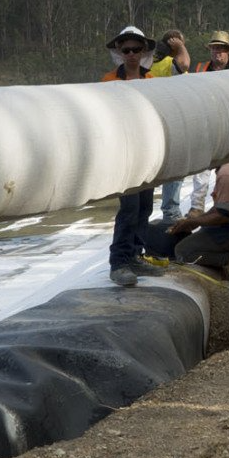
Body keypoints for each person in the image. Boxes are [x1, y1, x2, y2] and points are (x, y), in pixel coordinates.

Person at [101, 26, 165, 287]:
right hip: (125, 152)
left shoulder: (151, 81)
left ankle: (136, 255)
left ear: (143, 52)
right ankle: (119, 263)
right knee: (129, 208)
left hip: (147, 151)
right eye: (126, 49)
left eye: (136, 49)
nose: (131, 54)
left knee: (145, 205)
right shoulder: (108, 82)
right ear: (119, 52)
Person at [144, 158, 229, 273]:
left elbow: (222, 215)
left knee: (183, 251)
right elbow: (221, 208)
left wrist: (194, 222)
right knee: (193, 237)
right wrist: (196, 220)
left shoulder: (227, 175)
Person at [188, 30, 229, 215]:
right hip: (208, 124)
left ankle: (228, 205)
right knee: (202, 169)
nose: (217, 52)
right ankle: (196, 208)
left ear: (228, 51)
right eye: (214, 48)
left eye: (221, 49)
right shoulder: (201, 68)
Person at [149, 29, 191, 221]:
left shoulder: (149, 64)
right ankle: (171, 212)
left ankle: (151, 214)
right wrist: (180, 47)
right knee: (175, 171)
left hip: (154, 123)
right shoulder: (169, 65)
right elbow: (184, 64)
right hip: (170, 123)